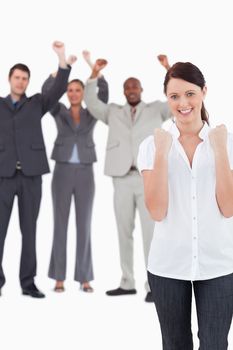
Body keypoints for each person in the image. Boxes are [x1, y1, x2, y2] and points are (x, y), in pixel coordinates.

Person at [137, 62, 233, 348]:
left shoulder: (226, 143)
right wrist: (162, 155)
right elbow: (157, 211)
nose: (183, 103)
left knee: (215, 343)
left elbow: (228, 207)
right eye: (174, 96)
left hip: (219, 264)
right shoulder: (151, 146)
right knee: (175, 343)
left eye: (190, 94)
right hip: (168, 265)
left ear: (204, 92)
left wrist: (218, 151)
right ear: (166, 98)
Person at [84, 55, 171, 302]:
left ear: (141, 90)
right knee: (124, 231)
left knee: (151, 233)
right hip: (121, 178)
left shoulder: (156, 109)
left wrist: (168, 68)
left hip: (148, 179)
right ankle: (127, 282)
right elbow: (91, 102)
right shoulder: (112, 112)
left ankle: (154, 285)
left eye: (135, 86)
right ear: (123, 91)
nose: (131, 90)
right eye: (127, 87)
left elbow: (176, 99)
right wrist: (93, 74)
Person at [0, 41, 71, 298]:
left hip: (31, 177)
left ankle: (28, 282)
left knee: (29, 231)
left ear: (28, 82)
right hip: (3, 177)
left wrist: (61, 58)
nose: (20, 82)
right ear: (9, 79)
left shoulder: (37, 103)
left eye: (25, 78)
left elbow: (60, 87)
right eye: (17, 77)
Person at [42, 51, 108, 293]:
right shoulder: (58, 110)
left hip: (85, 173)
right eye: (69, 90)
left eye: (77, 90)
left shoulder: (92, 112)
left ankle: (84, 278)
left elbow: (104, 92)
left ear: (82, 92)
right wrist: (59, 69)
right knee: (59, 224)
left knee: (85, 225)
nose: (73, 94)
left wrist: (93, 67)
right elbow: (47, 90)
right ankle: (58, 277)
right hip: (61, 171)